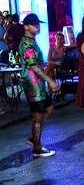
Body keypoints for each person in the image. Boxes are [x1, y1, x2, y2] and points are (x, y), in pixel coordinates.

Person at [18, 13, 60, 157]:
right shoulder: (26, 43)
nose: (37, 26)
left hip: (38, 84)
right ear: (26, 26)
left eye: (38, 23)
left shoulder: (32, 40)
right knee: (38, 114)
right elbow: (34, 66)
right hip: (32, 84)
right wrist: (50, 80)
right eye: (33, 24)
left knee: (48, 108)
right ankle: (37, 148)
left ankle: (34, 138)